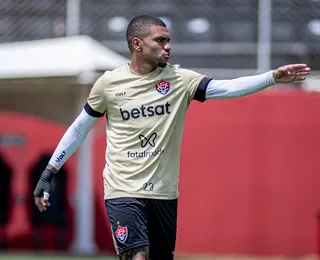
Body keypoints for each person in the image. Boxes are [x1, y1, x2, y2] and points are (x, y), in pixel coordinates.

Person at [33, 15, 310, 260]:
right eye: (161, 40)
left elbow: (226, 88)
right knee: (137, 256)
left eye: (169, 40)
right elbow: (80, 127)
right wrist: (49, 171)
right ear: (137, 44)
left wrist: (271, 77)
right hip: (123, 190)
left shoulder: (181, 80)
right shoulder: (108, 83)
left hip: (164, 195)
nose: (168, 46)